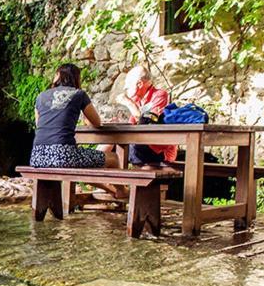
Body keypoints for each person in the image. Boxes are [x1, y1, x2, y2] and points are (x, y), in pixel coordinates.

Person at [30, 63, 126, 197]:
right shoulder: (78, 94)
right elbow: (96, 122)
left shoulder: (41, 97)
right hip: (64, 156)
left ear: (58, 76)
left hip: (38, 156)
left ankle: (110, 189)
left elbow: (39, 123)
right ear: (76, 78)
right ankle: (121, 191)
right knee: (113, 158)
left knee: (84, 160)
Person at [115, 66, 177, 166]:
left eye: (127, 86)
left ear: (139, 84)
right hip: (140, 145)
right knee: (113, 142)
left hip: (158, 151)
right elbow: (131, 126)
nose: (125, 89)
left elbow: (145, 124)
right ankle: (94, 169)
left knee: (120, 149)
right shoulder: (138, 100)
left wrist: (130, 104)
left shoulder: (160, 96)